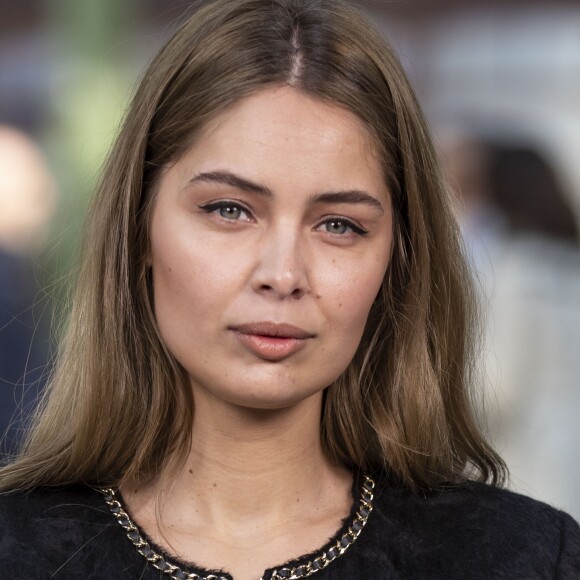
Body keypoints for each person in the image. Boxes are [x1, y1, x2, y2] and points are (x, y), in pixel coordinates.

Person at [0, 1, 578, 578]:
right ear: (139, 229)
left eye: (339, 225)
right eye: (229, 210)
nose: (283, 274)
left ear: (397, 260)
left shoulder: (520, 557)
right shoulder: (18, 550)